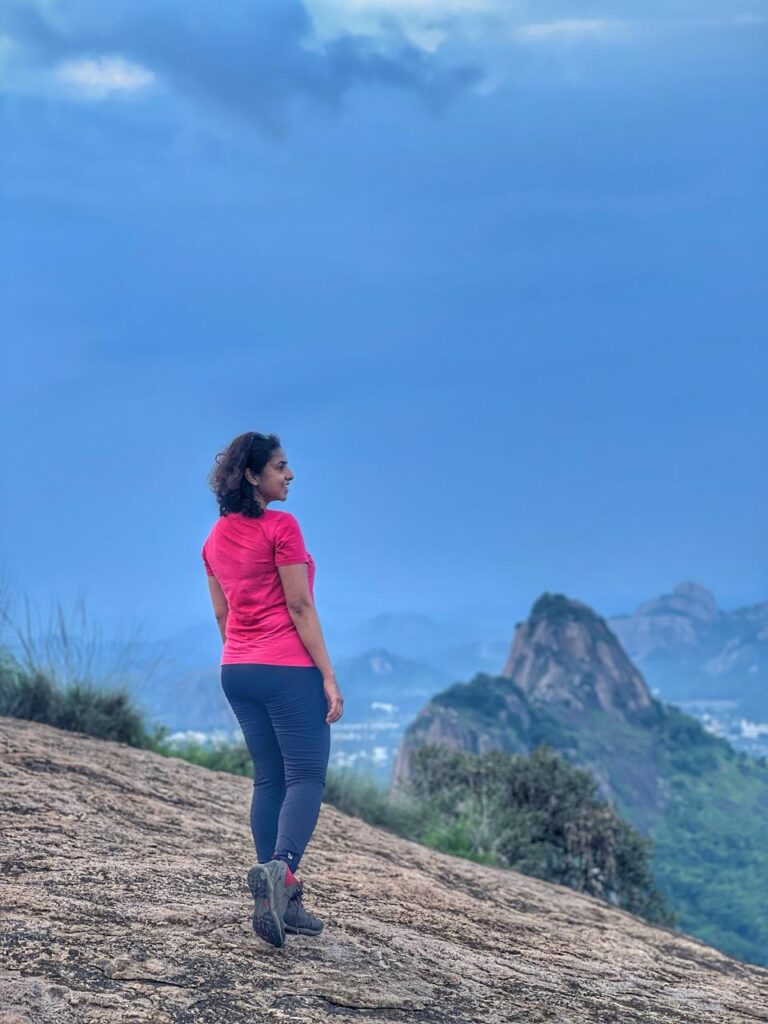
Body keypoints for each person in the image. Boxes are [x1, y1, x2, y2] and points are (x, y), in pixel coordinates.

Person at [201, 431, 344, 948]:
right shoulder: (281, 526)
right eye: (281, 467)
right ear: (252, 476)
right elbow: (301, 607)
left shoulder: (213, 539)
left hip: (237, 669)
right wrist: (327, 674)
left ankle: (285, 902)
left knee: (269, 780)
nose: (290, 475)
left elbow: (223, 613)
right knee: (305, 776)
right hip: (286, 668)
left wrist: (244, 653)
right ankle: (282, 872)